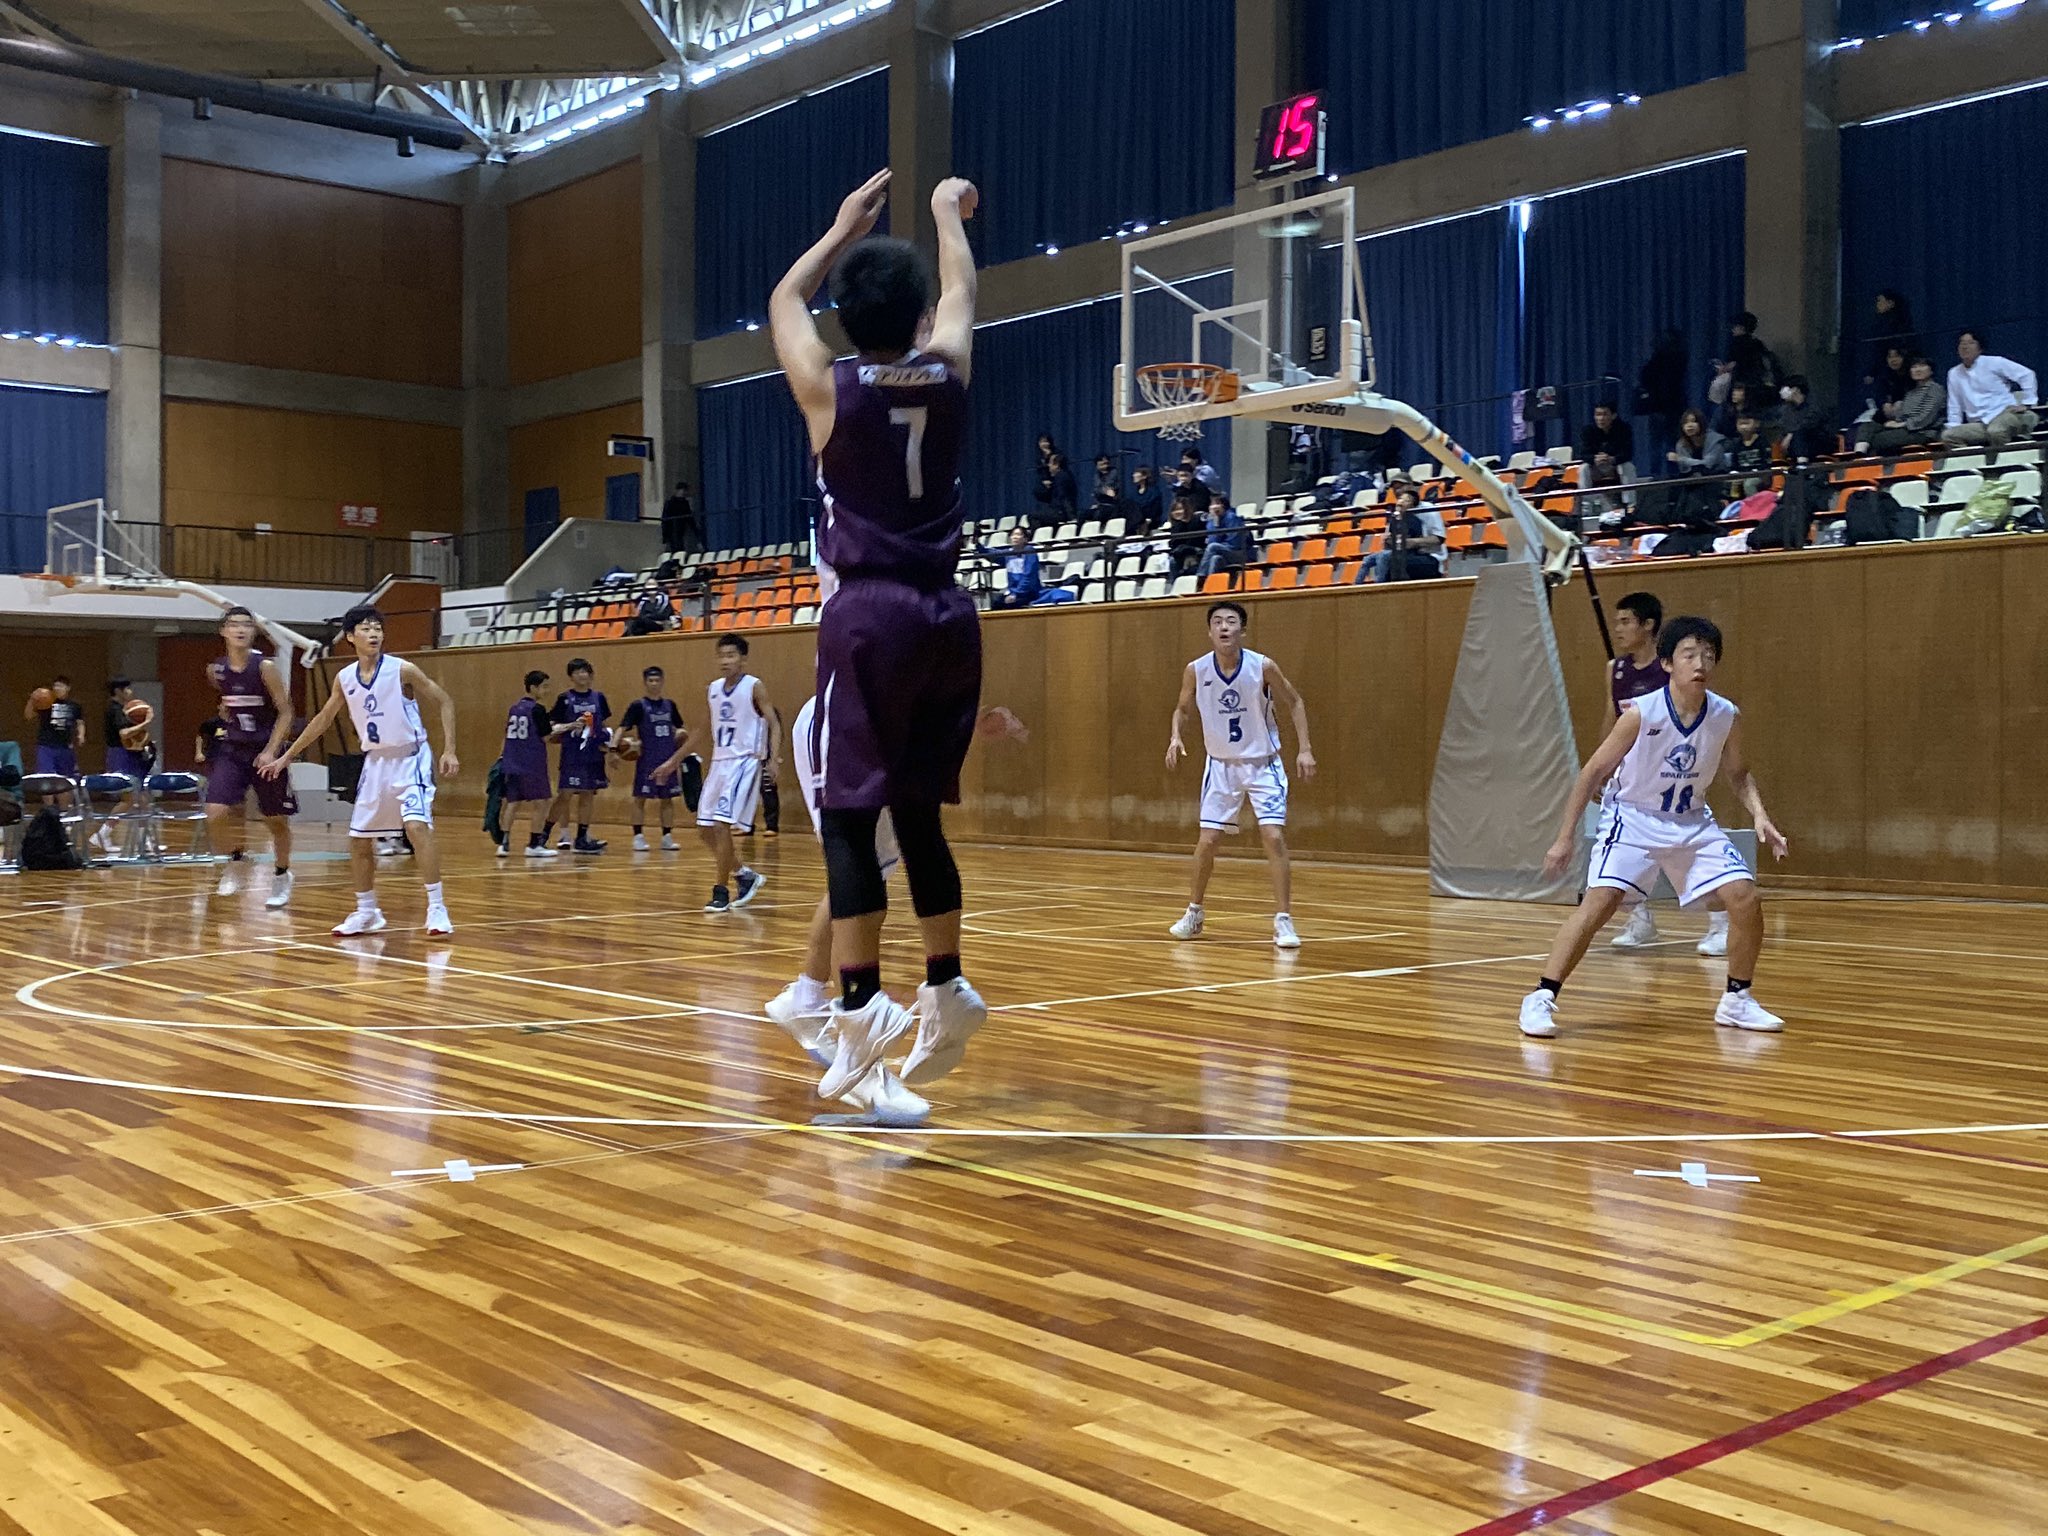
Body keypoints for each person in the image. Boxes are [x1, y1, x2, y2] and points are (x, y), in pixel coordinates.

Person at [769, 167, 988, 1099]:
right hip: (948, 611)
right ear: (915, 312)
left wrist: (838, 225)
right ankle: (945, 982)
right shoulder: (947, 370)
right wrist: (946, 213)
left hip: (869, 615)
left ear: (849, 317)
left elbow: (784, 296)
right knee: (919, 814)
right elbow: (963, 290)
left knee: (849, 825)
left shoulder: (827, 386)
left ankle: (857, 1029)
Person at [1519, 616, 1788, 1040]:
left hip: (1691, 823)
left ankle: (1737, 999)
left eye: (1709, 655)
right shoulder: (1641, 713)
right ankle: (1541, 996)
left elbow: (1739, 774)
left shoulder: (1725, 715)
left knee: (1745, 897)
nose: (1700, 662)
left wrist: (1760, 814)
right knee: (1600, 905)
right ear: (1667, 663)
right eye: (1689, 654)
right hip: (1633, 819)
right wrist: (1564, 837)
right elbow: (1592, 773)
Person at [261, 605, 459, 937]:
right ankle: (368, 911)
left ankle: (437, 908)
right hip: (376, 762)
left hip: (410, 758)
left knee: (416, 827)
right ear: (351, 637)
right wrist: (286, 757)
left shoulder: (402, 670)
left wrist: (450, 749)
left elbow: (445, 701)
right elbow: (322, 719)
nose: (374, 634)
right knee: (358, 841)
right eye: (366, 629)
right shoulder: (345, 677)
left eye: (378, 628)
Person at [1163, 601, 1316, 949]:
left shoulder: (1262, 666)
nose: (1224, 627)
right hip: (1220, 765)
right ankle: (1194, 912)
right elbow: (1182, 709)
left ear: (1242, 631)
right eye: (1217, 622)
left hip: (1262, 762)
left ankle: (1283, 921)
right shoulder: (1196, 670)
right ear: (1210, 632)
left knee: (1273, 837)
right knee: (1207, 842)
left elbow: (1295, 701)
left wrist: (1304, 749)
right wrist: (1175, 735)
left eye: (1231, 621)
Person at [1600, 592, 1724, 957]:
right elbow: (1611, 719)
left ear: (1648, 624)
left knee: (1692, 857)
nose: (1619, 629)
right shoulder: (1616, 669)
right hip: (1632, 782)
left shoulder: (1674, 668)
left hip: (1673, 777)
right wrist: (1604, 767)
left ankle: (1719, 923)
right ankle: (1640, 921)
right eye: (1617, 621)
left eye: (1626, 621)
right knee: (1617, 860)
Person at [203, 608, 297, 908]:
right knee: (215, 811)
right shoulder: (216, 670)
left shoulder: (265, 667)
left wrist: (271, 750)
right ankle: (236, 858)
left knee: (276, 821)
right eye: (234, 625)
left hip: (264, 751)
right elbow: (228, 699)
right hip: (233, 749)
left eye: (247, 625)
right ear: (223, 631)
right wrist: (228, 711)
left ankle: (282, 874)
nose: (241, 629)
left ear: (254, 632)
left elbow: (286, 712)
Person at [698, 635, 774, 912]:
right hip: (719, 762)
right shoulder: (714, 689)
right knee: (704, 831)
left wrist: (773, 759)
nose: (725, 660)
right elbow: (702, 729)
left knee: (720, 826)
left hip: (744, 761)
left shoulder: (754, 686)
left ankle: (720, 891)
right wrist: (672, 761)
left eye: (731, 655)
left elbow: (773, 723)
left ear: (742, 658)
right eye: (722, 655)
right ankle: (743, 875)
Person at [621, 665, 690, 852]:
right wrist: (614, 748)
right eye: (650, 681)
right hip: (647, 760)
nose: (654, 684)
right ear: (645, 683)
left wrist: (682, 737)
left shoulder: (670, 705)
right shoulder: (638, 705)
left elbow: (680, 729)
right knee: (640, 798)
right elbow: (622, 728)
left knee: (667, 799)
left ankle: (667, 836)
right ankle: (638, 836)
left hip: (667, 759)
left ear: (662, 682)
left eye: (657, 680)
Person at [500, 669, 569, 859]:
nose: (547, 690)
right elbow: (546, 737)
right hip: (532, 763)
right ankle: (534, 844)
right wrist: (567, 727)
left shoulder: (514, 708)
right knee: (542, 802)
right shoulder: (537, 709)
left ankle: (504, 844)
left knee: (513, 803)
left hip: (512, 762)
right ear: (533, 688)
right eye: (544, 686)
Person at [545, 659, 610, 854]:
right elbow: (551, 725)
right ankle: (543, 834)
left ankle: (582, 838)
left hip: (593, 754)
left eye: (585, 672)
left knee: (588, 794)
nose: (582, 675)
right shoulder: (565, 699)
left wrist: (610, 748)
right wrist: (564, 729)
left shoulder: (599, 698)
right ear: (571, 676)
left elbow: (604, 726)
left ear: (590, 675)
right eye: (577, 672)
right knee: (565, 795)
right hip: (572, 754)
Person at [1942, 329, 2039, 449]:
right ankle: (1974, 464)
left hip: (2004, 414)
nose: (1965, 347)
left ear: (1980, 348)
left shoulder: (1994, 362)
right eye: (1962, 343)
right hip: (1980, 424)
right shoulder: (1954, 373)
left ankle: (2008, 463)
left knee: (1996, 431)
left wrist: (2027, 402)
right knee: (1949, 435)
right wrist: (1954, 425)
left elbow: (2026, 374)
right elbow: (1954, 403)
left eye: (1970, 343)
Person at [92, 678, 153, 856]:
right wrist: (145, 723)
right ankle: (103, 834)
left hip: (128, 756)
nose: (129, 691)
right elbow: (124, 733)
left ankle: (145, 840)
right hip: (120, 756)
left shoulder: (123, 709)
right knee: (130, 799)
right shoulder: (115, 709)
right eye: (126, 689)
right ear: (118, 691)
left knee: (141, 800)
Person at [1859, 355, 1945, 455]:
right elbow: (1900, 416)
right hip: (1903, 428)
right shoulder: (1910, 392)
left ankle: (1864, 462)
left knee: (1878, 439)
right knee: (1867, 426)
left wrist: (1900, 424)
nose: (1917, 370)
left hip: (1922, 432)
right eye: (1914, 367)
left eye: (1922, 366)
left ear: (1931, 371)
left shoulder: (1935, 389)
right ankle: (1858, 454)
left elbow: (1926, 418)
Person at [1359, 483, 1444, 582]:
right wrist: (1388, 541)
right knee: (1367, 560)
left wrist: (1403, 542)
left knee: (1384, 557)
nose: (1400, 501)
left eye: (1405, 500)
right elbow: (1390, 543)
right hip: (1395, 551)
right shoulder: (1394, 519)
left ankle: (1380, 587)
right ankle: (1356, 588)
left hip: (1415, 555)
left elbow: (1412, 542)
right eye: (1400, 499)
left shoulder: (1417, 519)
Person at [24, 676, 83, 776]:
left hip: (65, 746)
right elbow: (28, 716)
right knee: (46, 777)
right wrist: (32, 700)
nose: (57, 688)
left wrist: (81, 735)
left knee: (67, 778)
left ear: (68, 688)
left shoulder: (74, 705)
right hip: (46, 746)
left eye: (60, 686)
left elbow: (80, 721)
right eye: (55, 686)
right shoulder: (46, 702)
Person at [979, 524, 1043, 609]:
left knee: (1009, 605)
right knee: (996, 604)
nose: (1015, 537)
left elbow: (1029, 576)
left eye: (1018, 535)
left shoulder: (1029, 551)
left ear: (1025, 539)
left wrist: (1016, 594)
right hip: (1013, 592)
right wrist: (978, 545)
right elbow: (992, 554)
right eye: (1013, 535)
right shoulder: (1008, 553)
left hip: (1028, 592)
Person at [1773, 375, 1832, 462]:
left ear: (1795, 389)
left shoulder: (1814, 405)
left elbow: (1809, 425)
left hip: (1818, 443)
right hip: (1794, 448)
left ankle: (1802, 465)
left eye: (1785, 388)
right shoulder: (1785, 410)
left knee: (1799, 434)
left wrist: (1791, 435)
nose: (1782, 391)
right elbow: (1784, 429)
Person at [1193, 494, 1249, 581]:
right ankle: (1210, 584)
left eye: (1217, 504)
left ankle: (1201, 576)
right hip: (1224, 553)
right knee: (1215, 559)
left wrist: (1220, 546)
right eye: (1211, 505)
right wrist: (1216, 523)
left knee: (1213, 547)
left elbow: (1236, 543)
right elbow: (1213, 541)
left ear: (1224, 506)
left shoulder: (1232, 517)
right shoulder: (1212, 521)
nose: (1214, 507)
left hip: (1239, 553)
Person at [1033, 450, 1077, 528]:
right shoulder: (1059, 477)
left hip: (1061, 512)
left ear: (1056, 465)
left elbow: (1064, 497)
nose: (1049, 466)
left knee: (1033, 517)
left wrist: (1072, 517)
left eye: (1050, 463)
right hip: (1058, 511)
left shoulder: (1062, 477)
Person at [660, 479, 701, 554]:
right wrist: (664, 537)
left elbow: (690, 519)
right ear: (678, 490)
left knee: (680, 549)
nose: (684, 493)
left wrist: (696, 533)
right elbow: (665, 520)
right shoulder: (670, 503)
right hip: (672, 530)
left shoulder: (684, 503)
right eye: (683, 490)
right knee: (673, 550)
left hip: (680, 530)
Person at [1126, 464, 1164, 536]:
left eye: (1136, 473)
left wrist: (1147, 521)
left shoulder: (1154, 492)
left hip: (1150, 525)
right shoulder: (1132, 494)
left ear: (1144, 476)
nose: (1133, 475)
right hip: (1135, 525)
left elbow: (1155, 510)